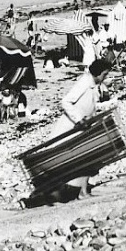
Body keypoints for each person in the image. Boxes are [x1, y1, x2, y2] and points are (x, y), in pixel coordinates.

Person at [47, 58, 115, 199]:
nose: (105, 77)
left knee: (87, 158)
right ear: (97, 73)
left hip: (81, 127)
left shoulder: (93, 84)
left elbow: (91, 106)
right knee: (80, 159)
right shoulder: (84, 83)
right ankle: (75, 192)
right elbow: (65, 101)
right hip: (69, 128)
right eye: (104, 74)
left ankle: (83, 191)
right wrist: (79, 119)